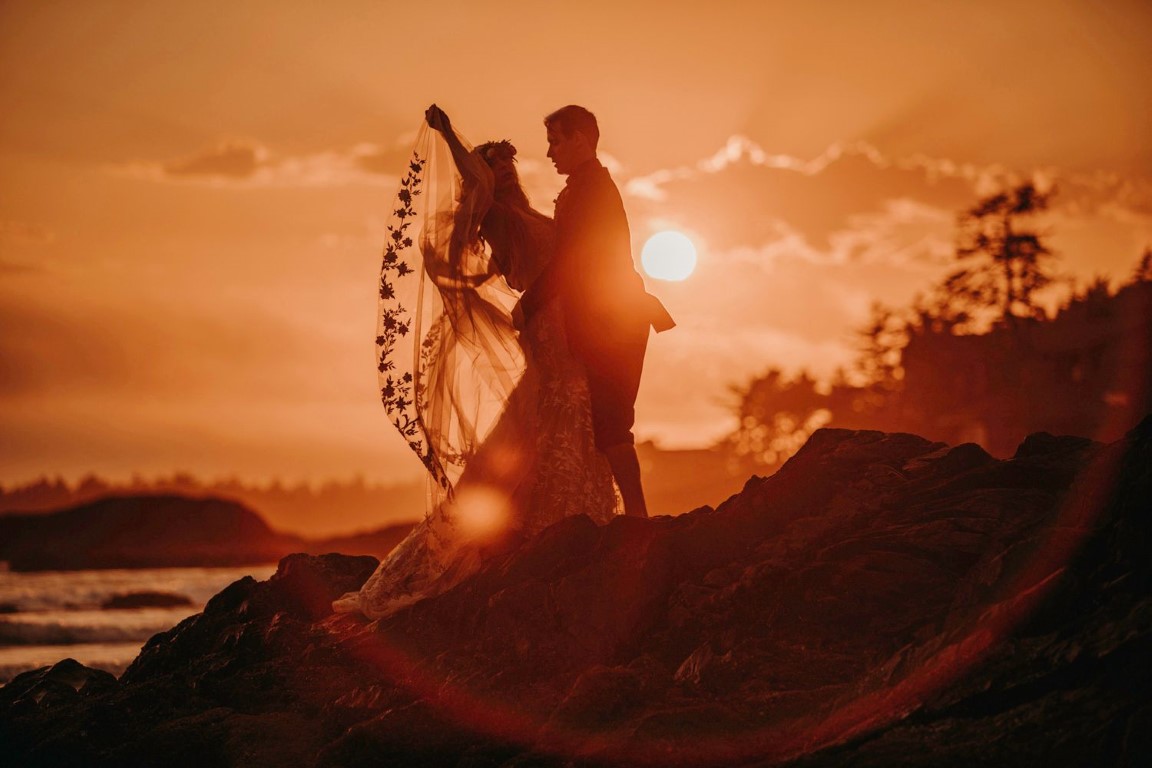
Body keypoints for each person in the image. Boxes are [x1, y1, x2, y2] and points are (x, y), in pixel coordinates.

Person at [334, 106, 617, 619]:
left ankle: (563, 518)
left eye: (507, 165)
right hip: (548, 329)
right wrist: (452, 139)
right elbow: (478, 179)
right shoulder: (495, 215)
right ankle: (551, 523)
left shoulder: (527, 214)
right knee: (561, 406)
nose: (505, 171)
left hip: (560, 327)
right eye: (495, 168)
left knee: (553, 415)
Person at [519, 105, 674, 519]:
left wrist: (528, 305)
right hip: (607, 317)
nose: (550, 153)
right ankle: (632, 517)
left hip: (615, 319)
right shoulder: (582, 187)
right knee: (608, 422)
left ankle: (638, 518)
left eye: (555, 142)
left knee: (611, 422)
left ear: (580, 140)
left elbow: (570, 260)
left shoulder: (592, 189)